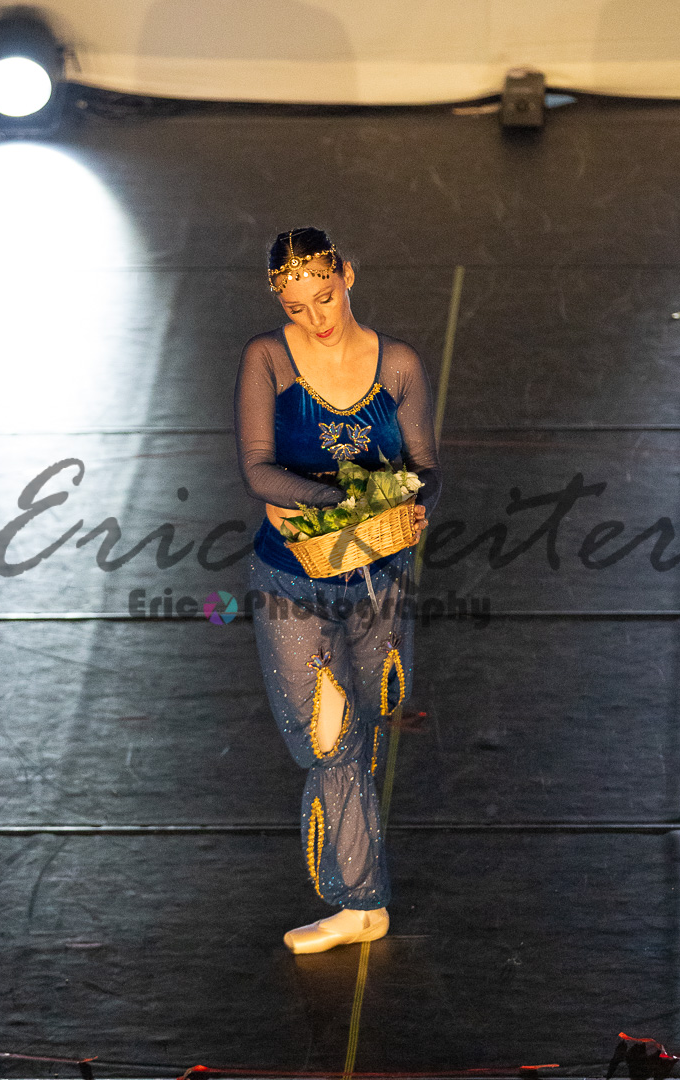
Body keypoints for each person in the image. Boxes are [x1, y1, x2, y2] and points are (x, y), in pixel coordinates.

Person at [233, 227, 442, 953]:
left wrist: (410, 503)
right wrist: (344, 504)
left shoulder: (399, 364)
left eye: (324, 297)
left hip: (377, 575)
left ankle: (363, 889)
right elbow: (258, 468)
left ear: (347, 274)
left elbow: (425, 465)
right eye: (296, 308)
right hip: (292, 577)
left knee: (372, 720)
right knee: (330, 736)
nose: (316, 317)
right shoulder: (267, 359)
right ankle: (360, 901)